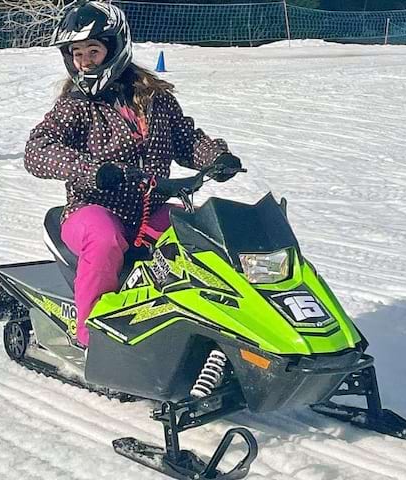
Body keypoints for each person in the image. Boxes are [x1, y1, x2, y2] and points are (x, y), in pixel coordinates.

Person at [24, 0, 242, 348]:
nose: (85, 61)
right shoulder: (75, 106)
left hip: (148, 208)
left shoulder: (155, 99)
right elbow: (37, 150)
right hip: (91, 209)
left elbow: (185, 139)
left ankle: (217, 325)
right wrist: (93, 171)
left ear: (116, 48)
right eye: (77, 53)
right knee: (105, 238)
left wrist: (216, 158)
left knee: (202, 236)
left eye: (93, 50)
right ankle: (92, 337)